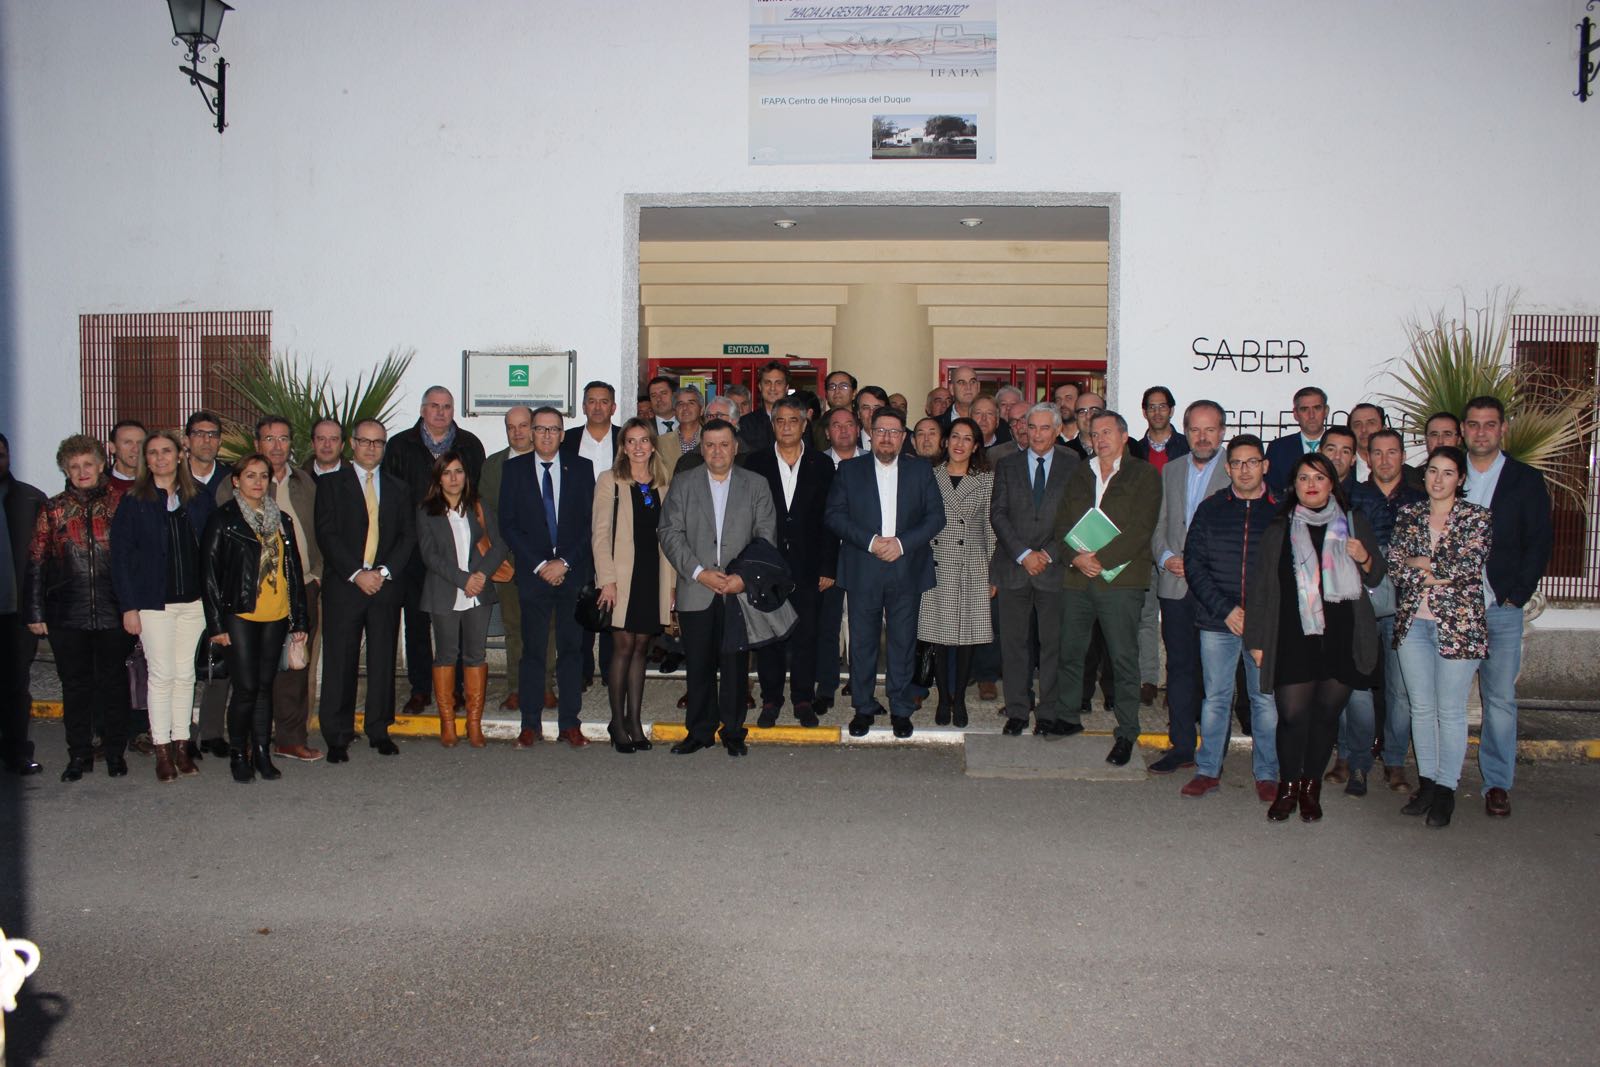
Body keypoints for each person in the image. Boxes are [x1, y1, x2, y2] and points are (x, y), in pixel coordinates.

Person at [1244, 452, 1387, 823]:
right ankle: (1287, 787)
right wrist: (1256, 641)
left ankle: (1311, 788)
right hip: (1292, 636)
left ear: (1332, 484)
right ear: (1294, 485)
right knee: (1292, 716)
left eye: (1320, 478)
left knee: (1325, 717)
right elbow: (1260, 588)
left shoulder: (1353, 522)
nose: (1311, 485)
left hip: (1342, 636)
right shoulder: (1280, 528)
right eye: (1304, 478)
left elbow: (1375, 576)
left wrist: (1364, 557)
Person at [1387, 446, 1492, 829]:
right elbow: (1395, 567)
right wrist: (1433, 571)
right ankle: (1428, 784)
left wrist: (1422, 565)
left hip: (1458, 627)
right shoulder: (1409, 514)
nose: (1438, 479)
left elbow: (1467, 568)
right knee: (1421, 708)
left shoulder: (1476, 517)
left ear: (1460, 478)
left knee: (1450, 710)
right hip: (1414, 624)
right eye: (1433, 470)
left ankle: (1447, 789)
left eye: (1448, 472)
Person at [658, 418, 776, 757]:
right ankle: (699, 731)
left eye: (724, 444)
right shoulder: (684, 482)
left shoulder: (756, 485)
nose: (717, 451)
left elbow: (765, 535)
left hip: (738, 591)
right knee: (698, 665)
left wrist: (743, 578)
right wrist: (699, 572)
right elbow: (669, 532)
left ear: (735, 447)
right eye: (709, 445)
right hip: (697, 588)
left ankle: (734, 731)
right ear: (702, 448)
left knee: (736, 666)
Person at [826, 408, 945, 739]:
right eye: (880, 431)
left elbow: (936, 517)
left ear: (903, 437)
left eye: (894, 432)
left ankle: (901, 709)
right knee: (862, 643)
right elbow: (834, 515)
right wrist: (872, 542)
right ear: (870, 435)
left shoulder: (920, 470)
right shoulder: (850, 470)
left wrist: (902, 544)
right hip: (863, 568)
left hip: (906, 568)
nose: (887, 438)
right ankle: (863, 707)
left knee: (902, 643)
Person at [1049, 411, 1161, 763]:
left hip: (1121, 580)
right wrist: (1075, 558)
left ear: (1124, 436)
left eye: (1107, 432)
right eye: (1095, 434)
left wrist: (1100, 559)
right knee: (1070, 651)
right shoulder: (1080, 473)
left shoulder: (1144, 474)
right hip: (1077, 577)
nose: (1100, 440)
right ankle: (1067, 716)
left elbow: (1142, 528)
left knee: (1122, 657)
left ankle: (1127, 731)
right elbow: (1061, 523)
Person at [1462, 395, 1552, 818]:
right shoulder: (1447, 472)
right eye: (1474, 424)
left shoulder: (1525, 480)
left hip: (1501, 605)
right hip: (1454, 608)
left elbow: (1539, 542)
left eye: (1489, 424)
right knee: (1448, 700)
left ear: (1503, 429)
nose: (1481, 432)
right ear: (1463, 430)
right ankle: (1441, 781)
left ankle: (1497, 783)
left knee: (1498, 700)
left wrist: (1517, 594)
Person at [1177, 434, 1280, 800]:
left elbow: (1290, 571)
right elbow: (1194, 565)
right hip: (1218, 621)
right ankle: (1207, 770)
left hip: (1264, 624)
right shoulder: (1211, 509)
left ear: (1265, 466)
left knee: (1264, 700)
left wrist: (1258, 616)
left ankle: (1267, 773)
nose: (1244, 470)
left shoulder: (1282, 510)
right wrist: (1227, 611)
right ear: (1227, 468)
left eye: (1252, 462)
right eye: (1237, 463)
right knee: (1216, 698)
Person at [25, 435, 132, 781]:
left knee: (114, 684)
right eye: (74, 466)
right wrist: (35, 612)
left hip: (114, 610)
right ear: (66, 471)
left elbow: (137, 558)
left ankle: (115, 752)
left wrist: (136, 606)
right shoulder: (52, 509)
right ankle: (79, 755)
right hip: (66, 614)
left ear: (101, 465)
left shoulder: (122, 504)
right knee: (74, 687)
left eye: (88, 464)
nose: (82, 471)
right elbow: (36, 560)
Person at [110, 429, 214, 782]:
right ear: (146, 460)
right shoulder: (133, 501)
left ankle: (182, 746)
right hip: (153, 604)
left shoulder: (198, 498)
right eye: (152, 453)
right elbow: (120, 559)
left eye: (166, 451)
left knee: (185, 675)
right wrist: (128, 607)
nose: (160, 458)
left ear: (180, 455)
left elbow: (211, 551)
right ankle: (162, 750)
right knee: (161, 675)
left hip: (193, 604)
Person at [201, 453, 310, 783]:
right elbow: (209, 575)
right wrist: (216, 625)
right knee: (246, 687)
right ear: (236, 481)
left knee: (265, 687)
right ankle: (239, 753)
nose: (258, 482)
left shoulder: (281, 520)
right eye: (250, 475)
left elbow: (292, 571)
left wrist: (299, 620)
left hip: (275, 614)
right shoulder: (224, 519)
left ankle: (261, 752)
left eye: (263, 476)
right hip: (240, 614)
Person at [315, 419, 416, 762]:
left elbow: (407, 536)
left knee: (383, 660)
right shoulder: (330, 485)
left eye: (379, 443)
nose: (372, 448)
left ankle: (379, 729)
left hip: (385, 587)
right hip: (345, 586)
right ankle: (337, 735)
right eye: (366, 441)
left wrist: (383, 572)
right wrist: (358, 573)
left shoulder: (399, 488)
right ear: (353, 445)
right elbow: (327, 534)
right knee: (340, 661)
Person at [383, 386, 485, 715]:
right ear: (423, 410)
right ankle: (420, 688)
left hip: (458, 551)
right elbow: (392, 498)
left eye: (447, 407)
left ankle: (455, 689)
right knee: (416, 621)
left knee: (457, 620)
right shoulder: (401, 445)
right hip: (413, 550)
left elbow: (477, 498)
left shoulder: (469, 445)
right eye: (434, 406)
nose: (440, 412)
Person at [501, 406, 595, 749]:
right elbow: (508, 525)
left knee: (571, 652)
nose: (546, 435)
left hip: (572, 574)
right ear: (531, 433)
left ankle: (570, 724)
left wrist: (564, 562)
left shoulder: (581, 468)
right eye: (540, 429)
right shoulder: (513, 470)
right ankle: (530, 724)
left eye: (553, 429)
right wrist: (541, 564)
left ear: (562, 434)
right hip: (534, 575)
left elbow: (591, 523)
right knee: (533, 653)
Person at [1147, 400, 1229, 775]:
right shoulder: (1172, 469)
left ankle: (1213, 751)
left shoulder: (1235, 469)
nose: (1202, 437)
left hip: (1217, 589)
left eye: (1210, 429)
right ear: (1186, 431)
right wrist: (1165, 557)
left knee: (1216, 675)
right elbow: (1159, 523)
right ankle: (1181, 746)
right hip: (1176, 584)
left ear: (1222, 432)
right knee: (1179, 668)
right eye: (1195, 429)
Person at [747, 397, 837, 728]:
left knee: (806, 635)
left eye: (793, 420)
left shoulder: (822, 464)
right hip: (767, 565)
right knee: (769, 635)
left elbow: (831, 518)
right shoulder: (755, 463)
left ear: (804, 425)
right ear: (773, 425)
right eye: (780, 421)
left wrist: (828, 567)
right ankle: (771, 699)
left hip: (809, 565)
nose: (786, 427)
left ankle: (802, 698)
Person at [991, 403, 1079, 736]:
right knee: (1014, 644)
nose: (1037, 434)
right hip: (1015, 566)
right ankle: (1017, 709)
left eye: (1045, 428)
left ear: (1057, 431)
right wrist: (1024, 554)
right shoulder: (1007, 464)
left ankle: (1048, 712)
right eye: (1032, 427)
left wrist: (1047, 553)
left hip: (1054, 569)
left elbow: (1076, 515)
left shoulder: (1073, 464)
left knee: (1053, 645)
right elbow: (997, 514)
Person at [1348, 428, 1426, 792]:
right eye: (1376, 452)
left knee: (1400, 689)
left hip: (1406, 604)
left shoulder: (1420, 498)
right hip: (1359, 601)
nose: (1384, 459)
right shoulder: (1353, 496)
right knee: (1356, 684)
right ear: (1367, 457)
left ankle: (1395, 761)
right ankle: (1352, 757)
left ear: (1403, 456)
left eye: (1391, 452)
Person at [416, 450, 509, 748]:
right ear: (438, 478)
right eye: (447, 473)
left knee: (475, 655)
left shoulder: (478, 506)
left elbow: (499, 544)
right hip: (444, 591)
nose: (454, 478)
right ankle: (447, 722)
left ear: (466, 476)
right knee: (446, 655)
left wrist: (480, 575)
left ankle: (474, 722)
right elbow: (429, 555)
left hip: (477, 592)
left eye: (458, 471)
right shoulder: (426, 510)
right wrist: (462, 579)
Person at [593, 419, 675, 751]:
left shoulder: (663, 483)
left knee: (642, 648)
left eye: (644, 440)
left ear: (653, 445)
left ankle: (635, 721)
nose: (638, 447)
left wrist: (671, 586)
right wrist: (606, 581)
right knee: (623, 647)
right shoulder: (609, 480)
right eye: (631, 441)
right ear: (623, 447)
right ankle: (617, 722)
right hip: (621, 579)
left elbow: (670, 538)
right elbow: (600, 535)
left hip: (653, 576)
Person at [249, 415, 325, 764]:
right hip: (257, 592)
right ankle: (253, 736)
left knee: (296, 665)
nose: (277, 446)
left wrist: (318, 574)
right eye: (269, 439)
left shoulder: (304, 482)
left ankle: (290, 739)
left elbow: (322, 529)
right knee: (256, 666)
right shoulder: (242, 481)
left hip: (302, 587)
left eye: (283, 439)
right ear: (257, 444)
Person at [916, 417, 994, 727]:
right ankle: (942, 699)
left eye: (967, 439)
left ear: (975, 447)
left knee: (967, 638)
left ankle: (959, 698)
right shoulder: (929, 475)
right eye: (955, 437)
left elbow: (990, 528)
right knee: (938, 637)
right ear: (945, 441)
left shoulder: (986, 479)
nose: (960, 444)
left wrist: (992, 573)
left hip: (972, 564)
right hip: (936, 563)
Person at [480, 406, 536, 713]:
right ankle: (516, 688)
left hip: (544, 561)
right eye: (511, 427)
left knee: (546, 626)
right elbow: (486, 514)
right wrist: (497, 557)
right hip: (508, 560)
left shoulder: (550, 461)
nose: (517, 432)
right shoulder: (493, 465)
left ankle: (545, 686)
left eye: (523, 425)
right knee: (514, 627)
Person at [1, 433, 47, 775]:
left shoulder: (31, 499)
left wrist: (38, 607)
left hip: (16, 613)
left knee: (15, 687)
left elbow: (46, 559)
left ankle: (15, 752)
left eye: (0, 454)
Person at [815, 407, 862, 714]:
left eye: (849, 424)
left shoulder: (874, 462)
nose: (843, 430)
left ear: (858, 429)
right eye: (836, 425)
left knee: (863, 625)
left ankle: (860, 682)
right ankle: (826, 686)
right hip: (827, 558)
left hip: (864, 556)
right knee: (827, 626)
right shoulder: (816, 464)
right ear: (827, 432)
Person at [1264, 386, 1329, 496]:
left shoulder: (1340, 446)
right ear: (1295, 414)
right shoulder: (1278, 449)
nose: (1311, 415)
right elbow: (1272, 492)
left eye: (1317, 408)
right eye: (1304, 409)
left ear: (1326, 411)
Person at [562, 380, 621, 483]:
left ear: (613, 408)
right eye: (592, 402)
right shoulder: (566, 439)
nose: (597, 407)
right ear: (584, 407)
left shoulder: (625, 437)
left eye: (604, 402)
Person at [1130, 387, 1189, 470]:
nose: (1157, 412)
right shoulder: (1135, 452)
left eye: (1162, 406)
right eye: (1152, 407)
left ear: (1171, 411)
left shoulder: (1188, 447)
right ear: (1144, 413)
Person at [739, 360, 790, 452]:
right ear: (760, 387)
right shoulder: (746, 423)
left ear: (786, 388)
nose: (772, 388)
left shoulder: (799, 421)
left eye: (778, 383)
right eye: (767, 383)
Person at [184, 411, 232, 492]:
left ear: (219, 442)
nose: (207, 440)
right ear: (187, 441)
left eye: (212, 435)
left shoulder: (231, 478)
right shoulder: (175, 477)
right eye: (199, 434)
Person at [107, 419, 146, 494]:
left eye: (140, 443)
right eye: (128, 442)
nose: (136, 449)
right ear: (112, 447)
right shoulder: (101, 484)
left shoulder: (156, 482)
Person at [1053, 381, 1088, 457]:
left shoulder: (1089, 437)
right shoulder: (1050, 438)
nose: (1062, 404)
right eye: (1058, 400)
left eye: (1068, 398)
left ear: (1080, 402)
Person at [671, 386, 704, 456]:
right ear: (674, 411)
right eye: (680, 404)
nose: (685, 407)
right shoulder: (661, 442)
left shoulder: (712, 438)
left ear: (701, 410)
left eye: (691, 403)